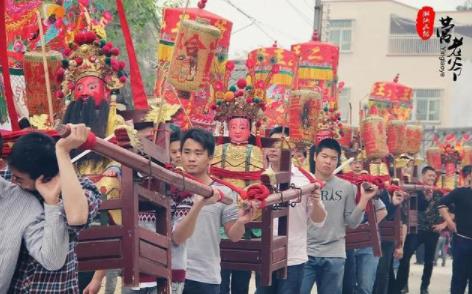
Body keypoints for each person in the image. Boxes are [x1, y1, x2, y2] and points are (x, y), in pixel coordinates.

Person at [7, 124, 102, 293]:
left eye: (19, 178)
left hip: (55, 287)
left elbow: (77, 217)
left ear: (42, 176)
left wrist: (62, 152)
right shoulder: (14, 177)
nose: (13, 181)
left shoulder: (80, 189)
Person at [300, 138, 379, 294]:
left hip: (334, 254)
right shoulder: (302, 185)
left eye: (333, 158)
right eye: (324, 156)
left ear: (338, 161)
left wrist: (364, 199)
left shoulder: (346, 187)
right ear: (315, 157)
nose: (328, 161)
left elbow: (352, 223)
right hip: (305, 253)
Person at [182, 128, 255, 294]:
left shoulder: (224, 193)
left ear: (210, 157)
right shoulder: (171, 186)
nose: (191, 158)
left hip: (205, 276)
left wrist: (241, 221)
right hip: (173, 272)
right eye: (187, 152)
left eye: (198, 153)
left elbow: (234, 236)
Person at [255, 127, 327, 294]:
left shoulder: (306, 179)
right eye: (271, 144)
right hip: (264, 252)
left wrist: (316, 203)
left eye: (279, 144)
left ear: (293, 150)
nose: (273, 148)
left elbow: (319, 220)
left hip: (293, 255)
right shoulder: (258, 178)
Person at [0, 133, 70, 292]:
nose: (13, 180)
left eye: (18, 178)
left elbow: (52, 260)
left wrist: (52, 203)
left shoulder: (23, 204)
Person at [395, 166, 446, 294]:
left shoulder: (439, 193)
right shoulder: (415, 192)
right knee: (405, 257)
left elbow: (452, 211)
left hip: (432, 232)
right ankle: (401, 285)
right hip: (415, 231)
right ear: (423, 177)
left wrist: (443, 224)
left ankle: (424, 288)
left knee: (429, 261)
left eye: (434, 176)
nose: (431, 178)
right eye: (429, 175)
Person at [342, 158, 388, 294]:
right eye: (353, 163)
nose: (356, 166)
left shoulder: (370, 190)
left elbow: (383, 211)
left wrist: (367, 225)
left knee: (365, 287)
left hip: (367, 243)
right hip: (347, 243)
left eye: (360, 163)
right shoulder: (344, 188)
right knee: (347, 286)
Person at [438, 165, 472, 294]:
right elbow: (441, 204)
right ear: (469, 176)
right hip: (462, 240)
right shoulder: (460, 192)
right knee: (459, 277)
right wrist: (449, 221)